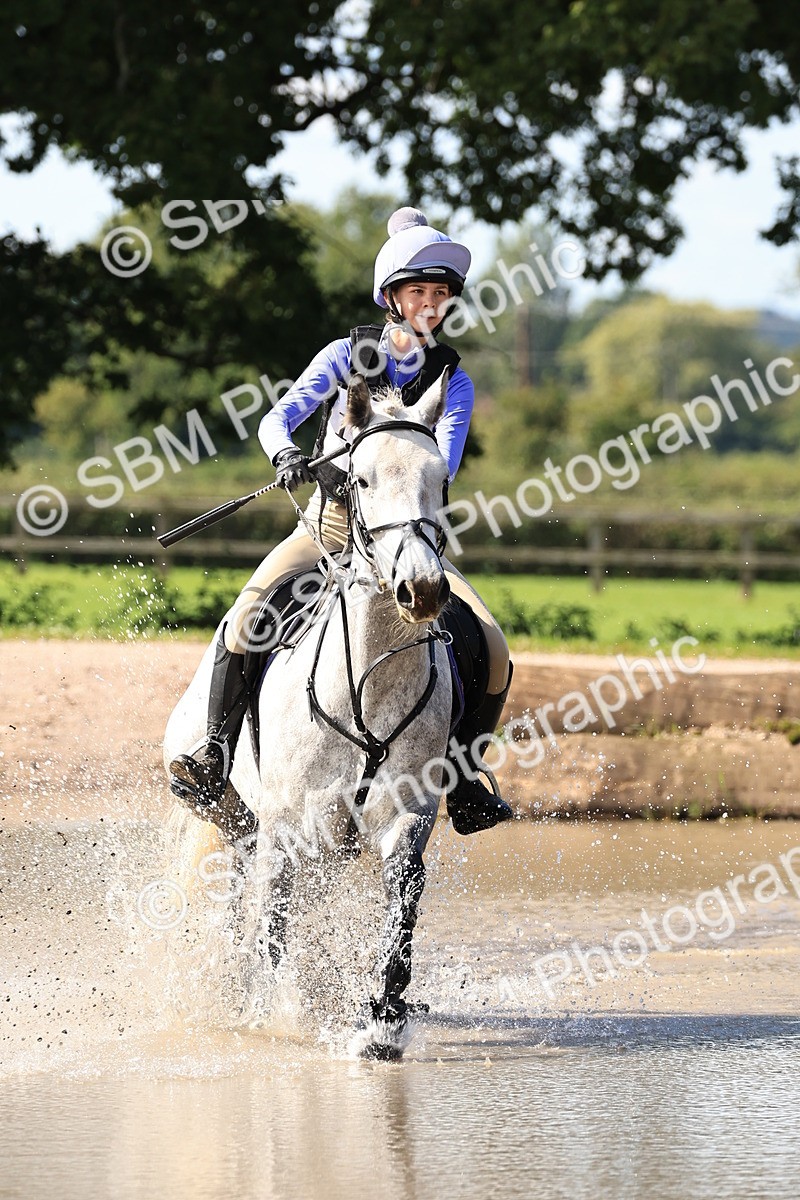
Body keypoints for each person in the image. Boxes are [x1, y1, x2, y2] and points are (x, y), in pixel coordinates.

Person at [169, 207, 514, 836]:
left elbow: (445, 461)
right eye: (420, 292)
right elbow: (276, 420)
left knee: (492, 646)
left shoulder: (454, 382)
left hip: (408, 540)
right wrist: (292, 456)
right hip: (328, 532)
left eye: (441, 294)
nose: (431, 304)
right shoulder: (343, 356)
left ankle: (463, 781)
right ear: (391, 298)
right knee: (248, 618)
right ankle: (214, 754)